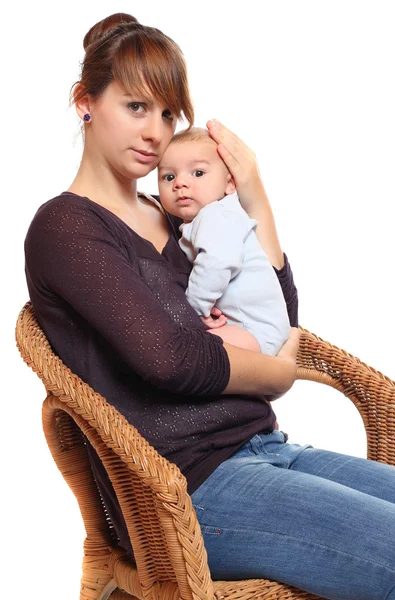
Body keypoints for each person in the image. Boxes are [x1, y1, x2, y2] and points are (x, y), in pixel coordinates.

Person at [24, 12, 395, 600]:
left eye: (169, 113)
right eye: (136, 107)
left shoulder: (174, 209)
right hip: (188, 493)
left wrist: (254, 197)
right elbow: (171, 360)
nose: (155, 131)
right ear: (85, 103)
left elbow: (273, 315)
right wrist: (274, 374)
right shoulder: (66, 227)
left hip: (270, 450)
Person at [158, 126, 291, 355]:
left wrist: (195, 310)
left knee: (185, 348)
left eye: (198, 173)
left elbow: (217, 262)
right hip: (248, 325)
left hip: (254, 329)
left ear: (230, 184)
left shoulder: (216, 216)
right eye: (169, 176)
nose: (180, 183)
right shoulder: (206, 219)